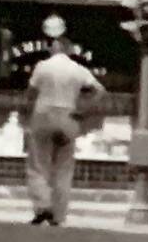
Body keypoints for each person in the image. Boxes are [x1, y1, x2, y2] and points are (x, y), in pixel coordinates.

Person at [25, 15, 103, 227]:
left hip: (44, 114)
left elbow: (31, 92)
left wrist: (29, 107)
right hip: (69, 115)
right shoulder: (78, 70)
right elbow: (99, 90)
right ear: (69, 50)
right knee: (63, 167)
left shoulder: (42, 66)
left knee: (39, 163)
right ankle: (58, 215)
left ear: (53, 48)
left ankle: (42, 206)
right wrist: (82, 109)